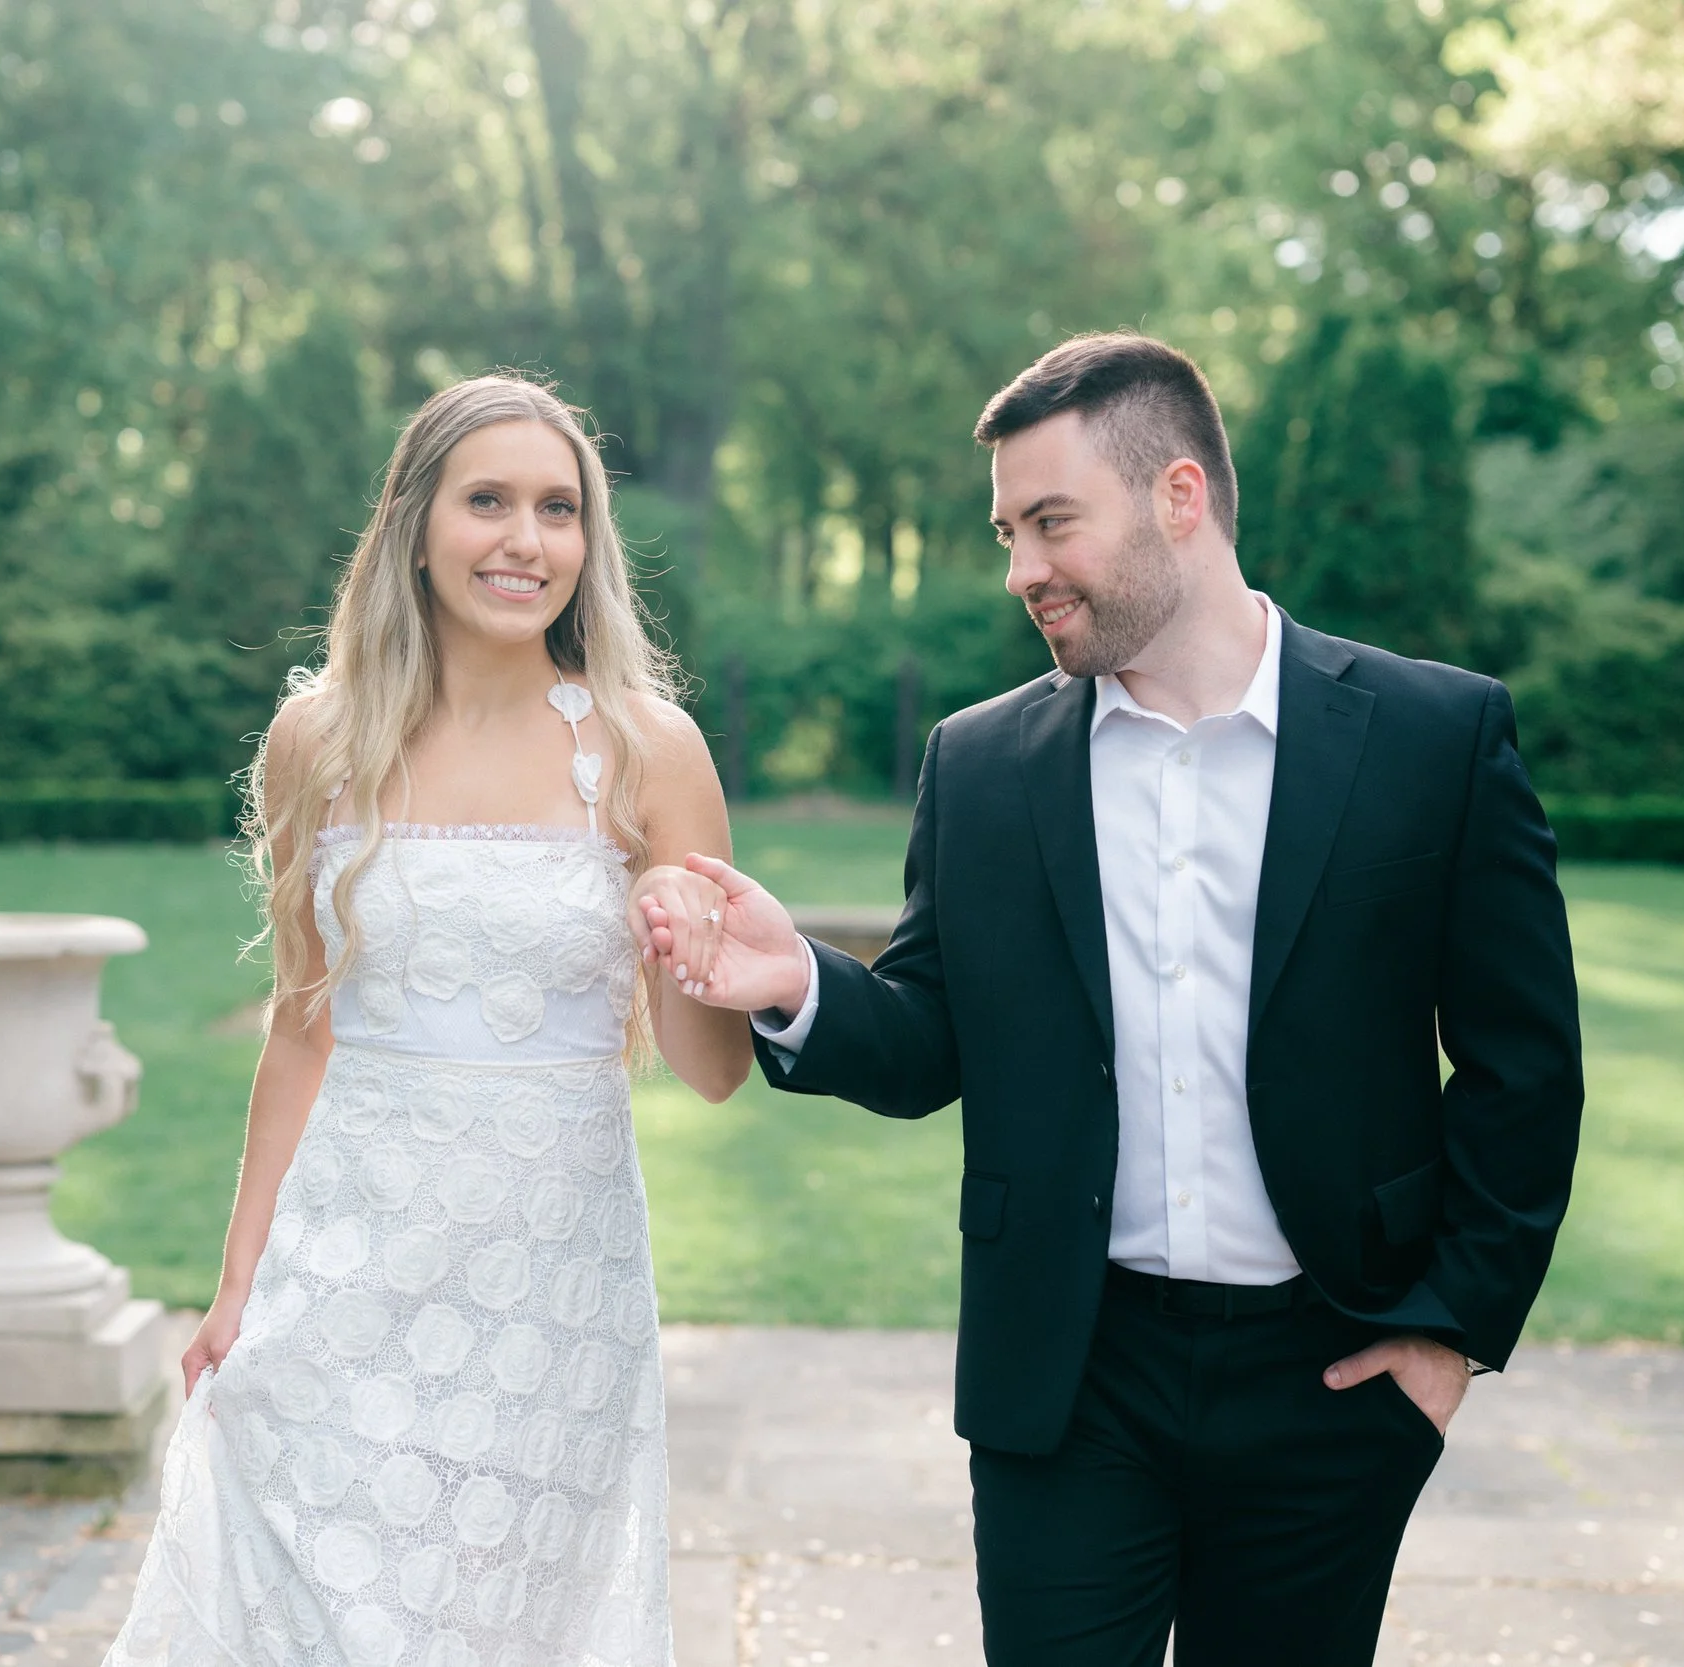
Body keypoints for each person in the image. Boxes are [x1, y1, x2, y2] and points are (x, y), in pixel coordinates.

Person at [641, 333, 1584, 1665]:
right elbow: (929, 1038)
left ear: (1178, 497)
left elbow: (1523, 1066)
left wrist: (1446, 1337)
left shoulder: (1434, 738)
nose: (1021, 569)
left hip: (1333, 1380)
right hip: (1068, 1377)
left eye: (1051, 522)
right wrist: (796, 980)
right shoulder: (982, 765)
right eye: (1008, 532)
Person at [101, 373, 747, 1667]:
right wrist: (238, 1286)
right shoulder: (317, 740)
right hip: (345, 1258)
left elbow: (715, 1071)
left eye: (558, 508)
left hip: (547, 1292)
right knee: (319, 1608)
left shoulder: (650, 749)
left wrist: (684, 946)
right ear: (414, 524)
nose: (527, 539)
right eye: (488, 500)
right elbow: (302, 1028)